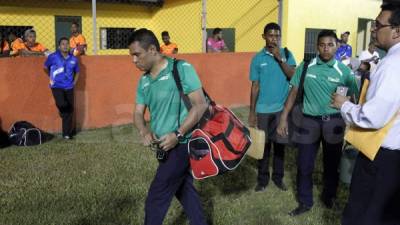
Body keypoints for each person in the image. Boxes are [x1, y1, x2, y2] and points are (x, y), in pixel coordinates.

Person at [277, 30, 359, 216]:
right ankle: (305, 202)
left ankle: (328, 198)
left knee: (331, 165)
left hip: (334, 122)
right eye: (322, 45)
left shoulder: (344, 71)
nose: (326, 49)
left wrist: (354, 126)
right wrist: (283, 117)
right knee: (304, 164)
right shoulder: (306, 67)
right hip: (309, 122)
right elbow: (293, 93)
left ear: (337, 46)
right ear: (317, 47)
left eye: (330, 45)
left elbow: (353, 99)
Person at [130, 28, 207, 225]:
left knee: (157, 196)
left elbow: (200, 105)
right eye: (131, 56)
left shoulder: (181, 68)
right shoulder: (144, 81)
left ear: (153, 50)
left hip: (183, 143)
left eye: (137, 54)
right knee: (184, 189)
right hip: (163, 146)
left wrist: (177, 134)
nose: (134, 60)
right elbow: (138, 113)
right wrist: (144, 130)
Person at [331, 3, 400, 225]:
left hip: (381, 157)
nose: (372, 29)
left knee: (363, 214)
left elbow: (373, 117)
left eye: (378, 25)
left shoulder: (391, 65)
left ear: (397, 31)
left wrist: (344, 105)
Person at [248, 22, 296, 192]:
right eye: (271, 35)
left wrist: (279, 58)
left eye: (277, 36)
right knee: (263, 146)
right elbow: (255, 86)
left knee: (280, 146)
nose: (274, 39)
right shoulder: (257, 59)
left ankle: (278, 178)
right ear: (264, 36)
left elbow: (293, 76)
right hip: (262, 111)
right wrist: (252, 112)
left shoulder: (287, 54)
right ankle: (262, 180)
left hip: (281, 111)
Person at [44, 37, 79, 140]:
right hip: (57, 86)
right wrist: (51, 78)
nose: (65, 46)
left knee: (69, 111)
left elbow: (77, 72)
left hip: (69, 87)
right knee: (62, 104)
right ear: (59, 46)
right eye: (63, 44)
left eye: (67, 44)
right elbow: (45, 67)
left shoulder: (74, 59)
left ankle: (66, 134)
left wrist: (74, 83)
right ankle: (62, 111)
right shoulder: (53, 56)